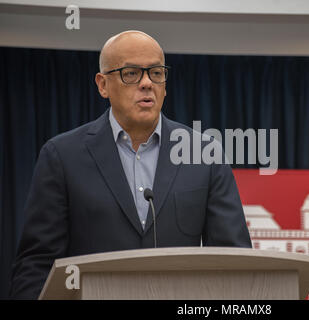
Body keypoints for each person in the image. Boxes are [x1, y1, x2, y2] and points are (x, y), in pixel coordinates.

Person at [10, 30, 252, 299]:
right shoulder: (61, 156)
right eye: (131, 73)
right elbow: (36, 267)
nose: (147, 83)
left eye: (156, 73)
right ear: (103, 85)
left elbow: (235, 260)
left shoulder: (204, 154)